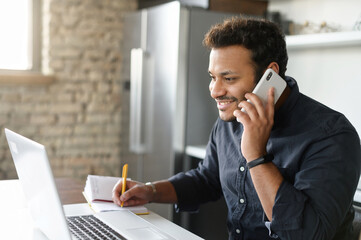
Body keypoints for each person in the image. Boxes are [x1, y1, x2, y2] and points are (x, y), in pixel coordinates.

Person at [113, 17, 361, 240]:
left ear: (269, 75)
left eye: (228, 79)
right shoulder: (231, 118)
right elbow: (206, 178)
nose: (215, 90)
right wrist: (150, 191)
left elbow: (306, 234)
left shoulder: (331, 136)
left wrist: (256, 156)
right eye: (213, 77)